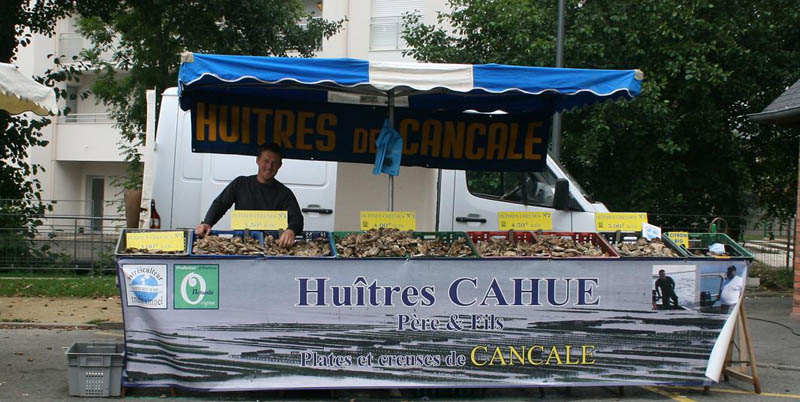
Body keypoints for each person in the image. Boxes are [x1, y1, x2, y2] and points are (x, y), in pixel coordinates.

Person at [195, 143, 303, 247]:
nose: (269, 167)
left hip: (272, 248)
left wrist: (291, 230)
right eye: (266, 161)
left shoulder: (285, 193)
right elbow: (220, 204)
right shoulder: (240, 183)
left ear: (280, 165)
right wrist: (207, 223)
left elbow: (297, 218)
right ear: (258, 160)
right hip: (241, 245)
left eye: (274, 163)